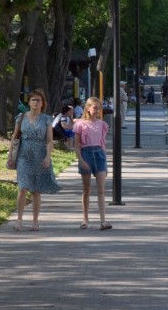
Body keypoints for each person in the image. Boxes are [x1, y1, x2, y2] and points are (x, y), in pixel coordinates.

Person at [8, 88, 61, 231]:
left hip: (39, 154)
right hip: (24, 155)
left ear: (43, 103)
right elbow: (15, 137)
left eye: (38, 100)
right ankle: (19, 220)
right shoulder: (21, 117)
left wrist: (47, 157)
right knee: (22, 188)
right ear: (29, 102)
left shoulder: (46, 119)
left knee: (36, 190)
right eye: (33, 100)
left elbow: (49, 140)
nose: (36, 102)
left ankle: (35, 221)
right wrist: (10, 155)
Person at [73, 96, 112, 230]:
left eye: (99, 108)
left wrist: (105, 163)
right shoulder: (80, 124)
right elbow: (76, 146)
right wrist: (81, 161)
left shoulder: (102, 124)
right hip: (86, 154)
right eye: (95, 108)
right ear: (88, 108)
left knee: (101, 189)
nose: (97, 111)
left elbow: (103, 145)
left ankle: (103, 220)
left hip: (99, 155)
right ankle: (85, 219)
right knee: (86, 190)